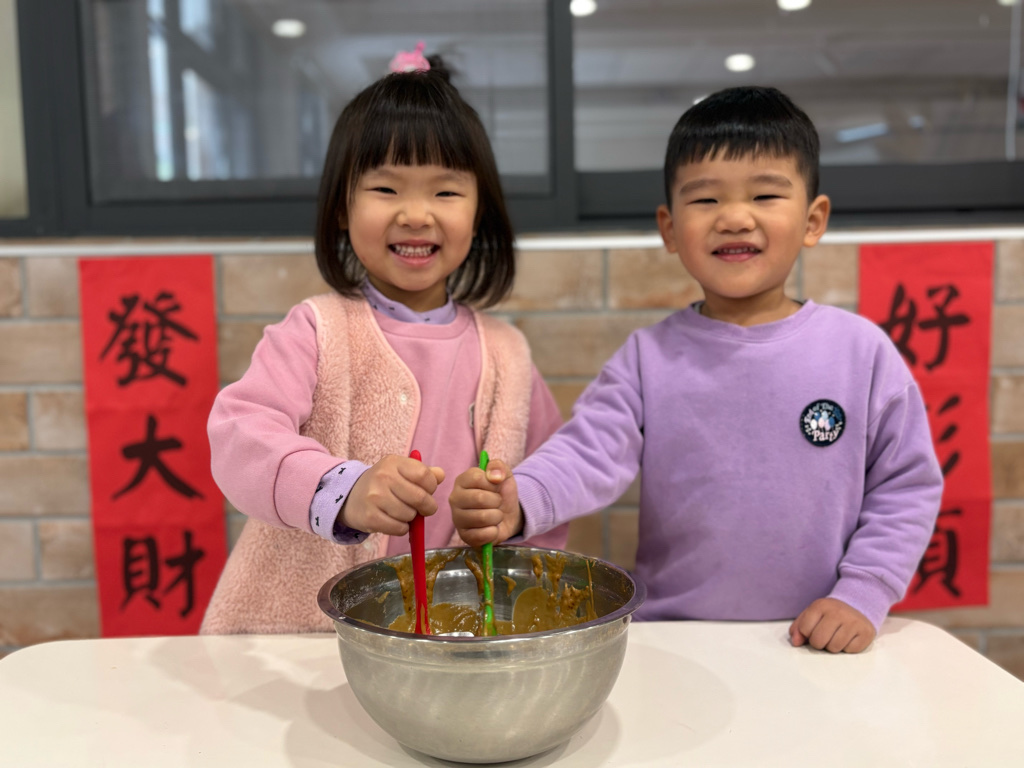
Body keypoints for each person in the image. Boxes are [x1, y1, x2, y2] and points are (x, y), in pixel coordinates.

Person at [450, 86, 943, 654]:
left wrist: (863, 592)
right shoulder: (647, 358)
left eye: (764, 195)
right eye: (706, 199)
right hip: (674, 639)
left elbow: (905, 488)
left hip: (815, 640)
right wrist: (520, 499)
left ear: (813, 220)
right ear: (669, 228)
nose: (734, 218)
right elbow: (587, 452)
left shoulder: (861, 352)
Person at [201, 49, 567, 634]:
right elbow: (239, 437)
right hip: (304, 646)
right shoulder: (316, 330)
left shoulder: (508, 355)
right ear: (341, 209)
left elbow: (549, 483)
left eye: (445, 192)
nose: (416, 215)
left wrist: (511, 512)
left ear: (479, 212)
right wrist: (343, 492)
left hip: (455, 649)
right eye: (386, 188)